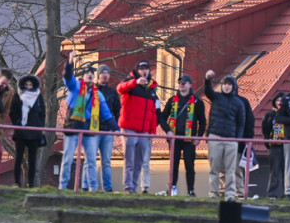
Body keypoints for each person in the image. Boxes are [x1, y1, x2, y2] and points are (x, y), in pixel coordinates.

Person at [60, 52, 116, 190]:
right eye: (87, 73)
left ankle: (93, 189)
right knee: (67, 158)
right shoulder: (75, 86)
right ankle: (63, 187)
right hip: (73, 125)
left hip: (89, 127)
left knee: (91, 160)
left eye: (92, 72)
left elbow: (106, 114)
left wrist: (117, 128)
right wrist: (70, 61)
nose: (90, 74)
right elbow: (68, 77)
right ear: (83, 76)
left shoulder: (98, 94)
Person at [159, 74, 206, 196]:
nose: (181, 84)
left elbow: (203, 121)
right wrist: (167, 131)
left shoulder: (197, 102)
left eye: (184, 82)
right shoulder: (172, 100)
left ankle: (190, 191)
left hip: (189, 139)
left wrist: (199, 137)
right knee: (173, 164)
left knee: (189, 165)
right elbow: (162, 117)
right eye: (180, 82)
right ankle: (172, 188)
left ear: (190, 85)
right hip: (174, 138)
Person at [118, 60, 159, 193]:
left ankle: (134, 186)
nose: (144, 71)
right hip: (129, 127)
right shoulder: (130, 82)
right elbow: (120, 88)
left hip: (144, 131)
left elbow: (153, 113)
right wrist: (135, 82)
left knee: (140, 162)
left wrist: (152, 132)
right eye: (141, 69)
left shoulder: (151, 90)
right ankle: (128, 186)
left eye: (146, 69)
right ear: (137, 70)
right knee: (129, 160)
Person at [203, 70, 245, 202]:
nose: (226, 86)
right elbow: (208, 91)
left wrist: (236, 140)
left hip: (231, 139)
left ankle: (230, 195)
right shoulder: (216, 97)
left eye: (229, 84)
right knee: (214, 168)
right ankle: (213, 193)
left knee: (230, 169)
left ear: (233, 86)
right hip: (215, 137)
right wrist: (207, 79)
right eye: (224, 84)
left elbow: (241, 123)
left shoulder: (239, 103)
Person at [83, 66, 121, 192]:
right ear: (98, 75)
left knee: (106, 161)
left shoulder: (112, 92)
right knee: (89, 160)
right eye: (102, 73)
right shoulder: (90, 91)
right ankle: (85, 186)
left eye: (107, 73)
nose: (105, 75)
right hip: (92, 130)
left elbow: (118, 111)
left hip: (107, 131)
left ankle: (107, 188)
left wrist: (116, 127)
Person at [10, 74, 46, 188]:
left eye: (31, 84)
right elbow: (13, 111)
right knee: (19, 157)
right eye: (26, 84)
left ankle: (31, 183)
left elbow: (42, 113)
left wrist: (40, 126)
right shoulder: (17, 96)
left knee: (33, 159)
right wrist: (17, 123)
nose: (29, 86)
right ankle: (17, 182)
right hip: (21, 131)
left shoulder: (38, 97)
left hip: (34, 132)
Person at [261, 93, 286, 199]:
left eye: (281, 100)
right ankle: (272, 193)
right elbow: (265, 130)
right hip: (274, 146)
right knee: (274, 170)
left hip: (286, 146)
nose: (279, 102)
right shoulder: (269, 115)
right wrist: (268, 143)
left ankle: (287, 193)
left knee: (287, 171)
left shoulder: (288, 114)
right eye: (277, 100)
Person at [234, 82, 256, 200]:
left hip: (239, 140)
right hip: (224, 138)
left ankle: (240, 192)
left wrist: (248, 138)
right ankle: (222, 191)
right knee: (222, 168)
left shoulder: (243, 102)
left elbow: (249, 121)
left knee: (237, 168)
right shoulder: (220, 100)